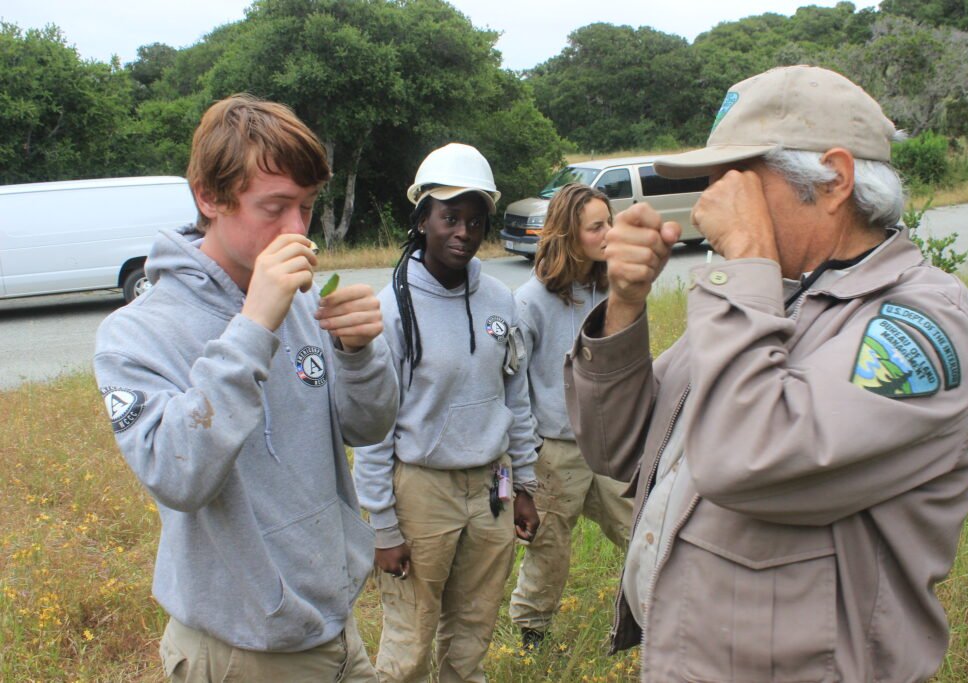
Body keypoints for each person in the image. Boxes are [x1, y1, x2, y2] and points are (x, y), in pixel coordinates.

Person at [565, 65, 968, 682]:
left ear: (834, 182)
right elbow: (615, 447)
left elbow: (745, 459)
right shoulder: (780, 295)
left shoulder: (924, 326)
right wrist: (627, 302)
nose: (711, 204)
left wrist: (744, 262)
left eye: (735, 180)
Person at [93, 94, 399, 682]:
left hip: (334, 628)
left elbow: (367, 425)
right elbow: (178, 474)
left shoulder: (305, 301)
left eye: (306, 208)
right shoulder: (135, 334)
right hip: (239, 650)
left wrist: (359, 354)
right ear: (210, 197)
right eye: (275, 207)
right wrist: (254, 325)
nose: (297, 232)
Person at [354, 142, 540, 683]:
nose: (463, 232)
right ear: (422, 220)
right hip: (422, 489)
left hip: (494, 484)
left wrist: (523, 484)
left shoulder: (502, 302)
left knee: (475, 623)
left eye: (475, 220)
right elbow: (371, 428)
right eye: (449, 217)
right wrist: (384, 527)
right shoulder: (390, 309)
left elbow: (517, 397)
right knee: (411, 635)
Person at [507, 183, 633, 649]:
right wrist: (527, 458)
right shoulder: (529, 301)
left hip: (612, 442)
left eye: (610, 222)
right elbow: (514, 385)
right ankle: (531, 635)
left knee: (642, 526)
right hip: (556, 450)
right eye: (596, 226)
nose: (609, 233)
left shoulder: (613, 285)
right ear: (568, 234)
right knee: (550, 547)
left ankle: (652, 610)